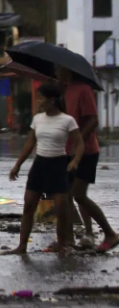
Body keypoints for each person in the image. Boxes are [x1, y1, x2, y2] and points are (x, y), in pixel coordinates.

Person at [0, 83, 84, 256]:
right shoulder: (37, 119)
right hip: (40, 165)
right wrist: (17, 165)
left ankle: (62, 245)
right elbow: (30, 144)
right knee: (29, 206)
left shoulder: (67, 120)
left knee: (62, 208)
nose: (38, 101)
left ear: (52, 100)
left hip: (58, 165)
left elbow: (80, 143)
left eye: (41, 98)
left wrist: (75, 161)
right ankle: (21, 246)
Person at [56, 66, 119, 252]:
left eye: (57, 70)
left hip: (86, 151)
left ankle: (109, 233)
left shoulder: (83, 89)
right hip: (66, 151)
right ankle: (67, 240)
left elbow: (93, 120)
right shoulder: (64, 91)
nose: (55, 73)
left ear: (67, 71)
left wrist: (79, 140)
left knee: (78, 194)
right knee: (65, 195)